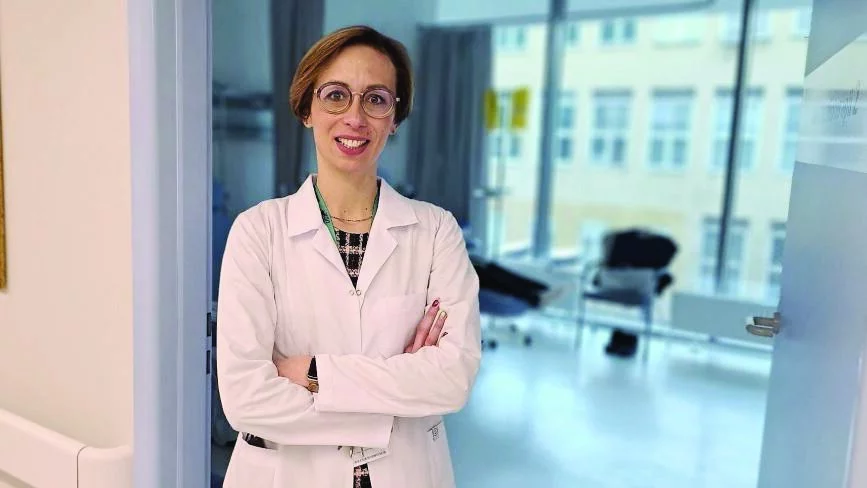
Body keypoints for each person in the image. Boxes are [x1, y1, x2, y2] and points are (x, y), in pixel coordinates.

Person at [216, 25, 482, 488]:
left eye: (376, 99)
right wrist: (393, 403)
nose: (355, 117)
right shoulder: (258, 231)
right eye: (336, 95)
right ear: (307, 109)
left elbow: (453, 378)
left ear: (394, 118)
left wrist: (312, 372)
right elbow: (245, 399)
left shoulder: (436, 230)